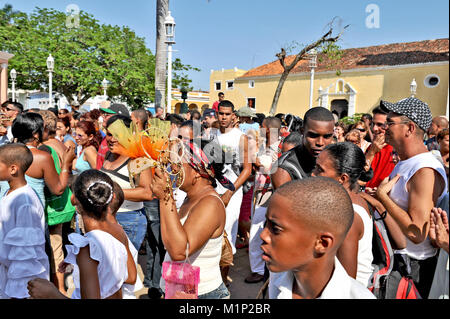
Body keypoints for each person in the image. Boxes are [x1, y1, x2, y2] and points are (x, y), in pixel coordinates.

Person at [375, 97, 448, 298]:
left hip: (411, 267)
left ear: (409, 128)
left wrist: (382, 198)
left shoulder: (424, 169)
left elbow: (417, 232)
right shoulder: (406, 162)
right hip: (395, 259)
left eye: (390, 123)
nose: (383, 128)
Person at [27, 170, 134, 299]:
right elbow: (131, 276)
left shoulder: (88, 248)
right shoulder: (118, 230)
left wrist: (51, 294)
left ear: (73, 200)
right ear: (111, 198)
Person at [263, 177, 376, 299]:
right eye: (266, 225)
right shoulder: (278, 277)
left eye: (275, 229)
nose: (263, 235)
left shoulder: (357, 296)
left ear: (322, 243)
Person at [152, 139, 234, 299]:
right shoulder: (192, 197)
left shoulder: (210, 203)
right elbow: (170, 239)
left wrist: (165, 197)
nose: (173, 167)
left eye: (178, 162)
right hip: (181, 290)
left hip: (203, 294)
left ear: (198, 171)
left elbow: (180, 252)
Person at [312, 142, 374, 287]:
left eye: (320, 170)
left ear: (343, 178)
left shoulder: (348, 215)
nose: (313, 173)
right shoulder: (346, 200)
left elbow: (347, 282)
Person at [0, 144, 50, 299]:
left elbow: (26, 256)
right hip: (7, 273)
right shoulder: (10, 193)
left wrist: (20, 292)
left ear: (13, 169)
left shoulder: (25, 202)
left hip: (19, 283)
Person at [100, 115, 153, 251]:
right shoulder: (109, 155)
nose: (111, 139)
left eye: (117, 135)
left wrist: (110, 191)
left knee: (124, 267)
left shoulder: (137, 158)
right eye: (109, 134)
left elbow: (147, 192)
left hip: (128, 220)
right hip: (107, 217)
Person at [246, 116, 282, 284]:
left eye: (261, 127)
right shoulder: (265, 146)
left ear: (267, 129)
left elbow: (269, 167)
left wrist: (254, 157)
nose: (259, 129)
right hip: (260, 193)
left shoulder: (279, 147)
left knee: (256, 233)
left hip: (268, 195)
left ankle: (259, 270)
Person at [215, 100, 252, 256]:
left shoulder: (240, 138)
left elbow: (247, 169)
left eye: (227, 114)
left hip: (232, 191)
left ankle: (225, 275)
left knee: (228, 232)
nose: (223, 117)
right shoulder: (211, 134)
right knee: (213, 232)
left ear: (234, 116)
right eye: (221, 113)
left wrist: (230, 192)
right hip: (213, 189)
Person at [271, 106, 335, 189]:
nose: (320, 143)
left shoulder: (337, 160)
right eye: (313, 135)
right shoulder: (284, 169)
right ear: (302, 131)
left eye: (327, 136)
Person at [364, 105, 396, 192]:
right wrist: (371, 152)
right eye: (373, 124)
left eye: (380, 125)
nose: (374, 129)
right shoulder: (372, 147)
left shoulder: (398, 150)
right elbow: (361, 175)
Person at [97, 104, 131, 169]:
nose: (104, 117)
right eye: (104, 114)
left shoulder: (134, 160)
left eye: (107, 115)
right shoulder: (106, 138)